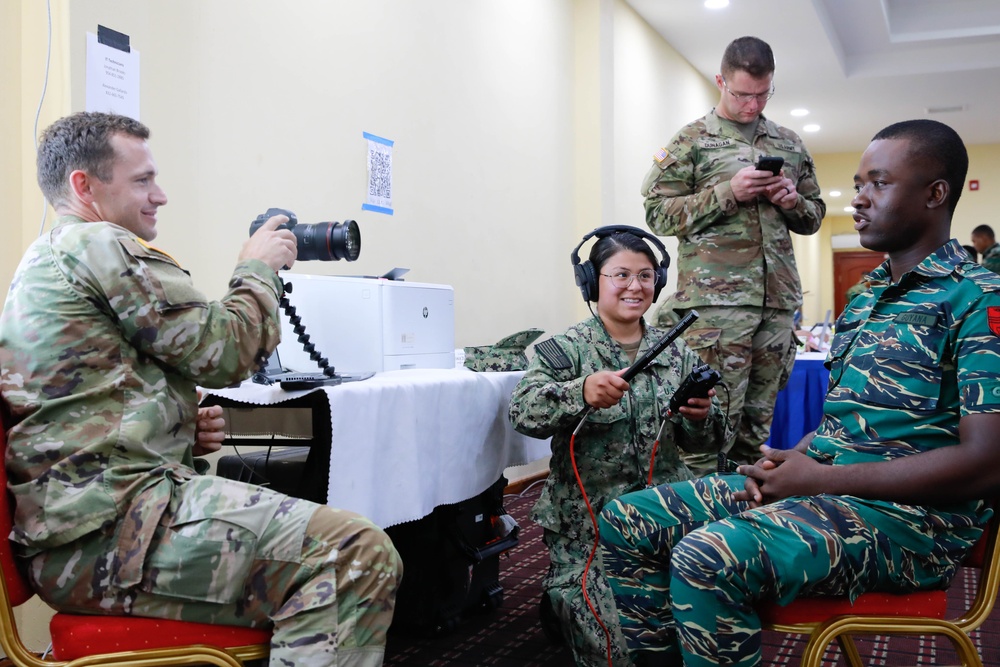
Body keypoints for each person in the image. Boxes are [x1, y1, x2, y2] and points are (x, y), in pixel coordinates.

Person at [0, 112, 401, 667]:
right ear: (83, 186)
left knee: (334, 541)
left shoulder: (48, 258)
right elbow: (226, 351)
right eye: (141, 180)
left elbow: (89, 400)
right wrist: (257, 269)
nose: (159, 195)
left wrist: (182, 427)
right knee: (351, 553)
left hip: (88, 530)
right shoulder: (97, 246)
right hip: (107, 538)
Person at [598, 118, 1000, 667]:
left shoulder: (978, 298)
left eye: (878, 184)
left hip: (912, 523)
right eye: (859, 183)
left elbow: (987, 462)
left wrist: (820, 478)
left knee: (707, 557)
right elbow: (849, 420)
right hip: (830, 487)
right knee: (628, 518)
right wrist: (799, 456)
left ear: (936, 194)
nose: (858, 199)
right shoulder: (866, 297)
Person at [509, 227, 726, 667]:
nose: (635, 286)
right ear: (593, 281)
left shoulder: (677, 352)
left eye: (646, 276)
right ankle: (563, 596)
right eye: (620, 274)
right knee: (621, 650)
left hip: (667, 514)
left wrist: (702, 418)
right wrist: (579, 391)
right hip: (591, 528)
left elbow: (708, 439)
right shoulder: (563, 351)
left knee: (704, 627)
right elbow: (524, 413)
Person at [640, 36, 825, 476]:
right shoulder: (693, 141)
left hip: (777, 305)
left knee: (754, 431)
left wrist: (791, 200)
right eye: (742, 94)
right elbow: (656, 214)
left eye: (763, 94)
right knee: (706, 428)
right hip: (714, 312)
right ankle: (697, 527)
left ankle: (742, 529)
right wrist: (728, 192)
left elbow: (814, 216)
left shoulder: (789, 142)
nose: (752, 104)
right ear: (721, 81)